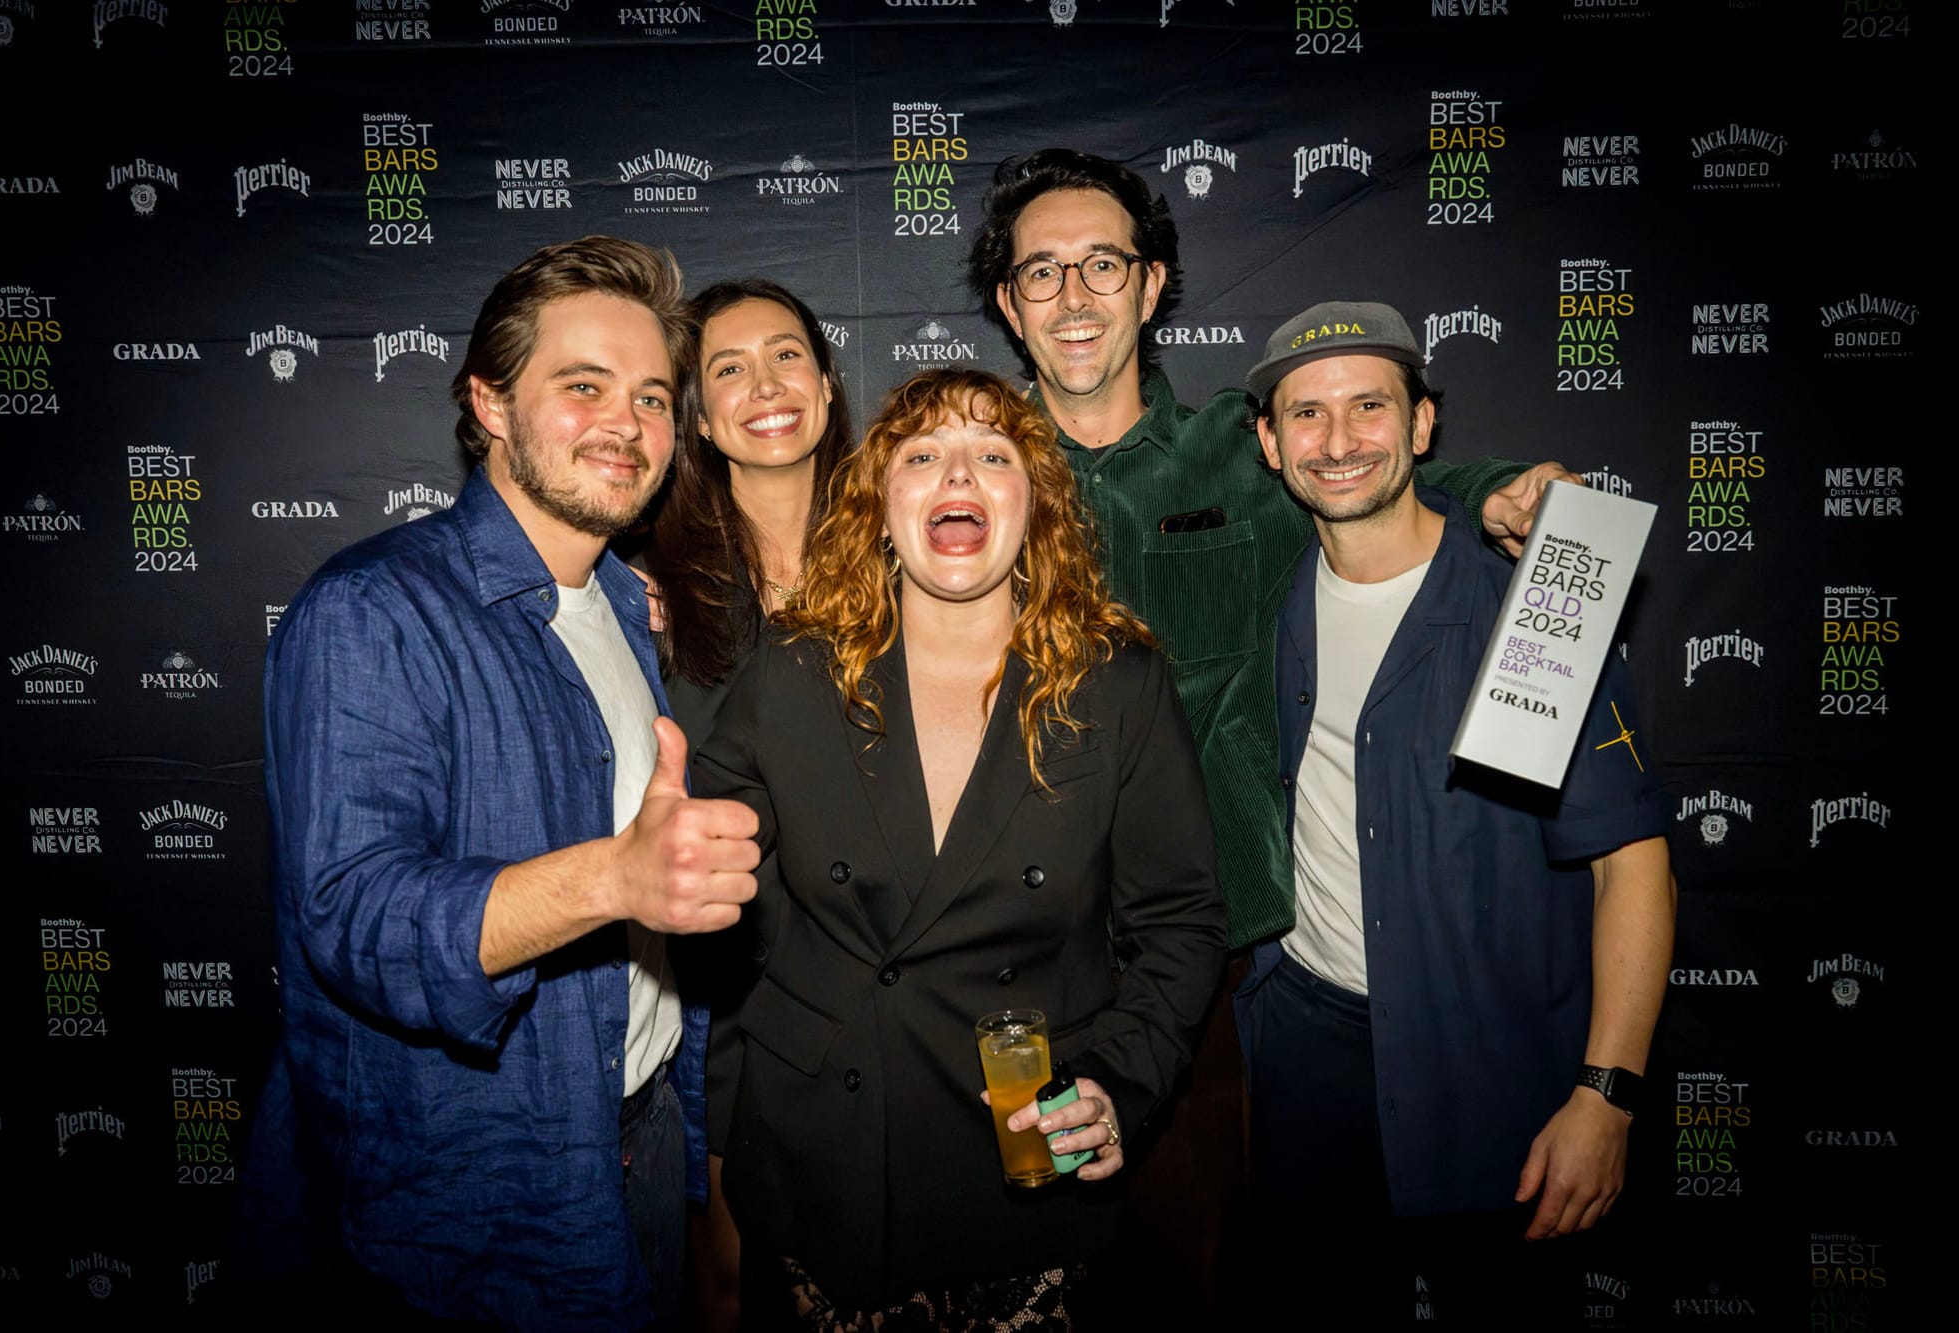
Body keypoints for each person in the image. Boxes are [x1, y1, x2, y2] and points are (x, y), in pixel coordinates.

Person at [964, 147, 1580, 1315]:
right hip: (1016, 950)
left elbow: (1382, 477)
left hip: (1220, 955)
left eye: (1103, 263)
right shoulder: (974, 478)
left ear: (1151, 287)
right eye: (1040, 273)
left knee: (1207, 1272)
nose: (1074, 295)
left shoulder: (1239, 459)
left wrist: (1504, 486)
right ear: (1007, 304)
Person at [255, 236, 761, 1329]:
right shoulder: (373, 610)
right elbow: (355, 918)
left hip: (639, 1131)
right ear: (488, 402)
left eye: (652, 397)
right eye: (581, 386)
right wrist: (611, 880)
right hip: (477, 1187)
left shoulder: (624, 606)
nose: (625, 424)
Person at [692, 367, 1227, 1328]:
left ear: (1037, 501)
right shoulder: (791, 671)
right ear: (878, 501)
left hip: (1024, 1156)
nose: (958, 476)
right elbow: (717, 895)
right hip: (826, 1155)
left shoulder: (1116, 683)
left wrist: (1119, 1082)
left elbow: (1181, 923)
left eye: (993, 455)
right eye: (923, 455)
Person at [1235, 301, 1675, 1326]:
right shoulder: (1260, 592)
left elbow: (1632, 863)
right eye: (1305, 414)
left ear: (1423, 424)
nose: (1337, 441)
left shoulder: (1538, 605)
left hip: (1496, 1069)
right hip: (1307, 1059)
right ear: (1266, 442)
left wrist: (1603, 1096)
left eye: (1368, 406)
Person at [641, 279, 855, 1331]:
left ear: (824, 381)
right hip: (719, 984)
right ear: (695, 411)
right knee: (724, 1280)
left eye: (785, 357)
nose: (762, 387)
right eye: (726, 369)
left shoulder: (912, 557)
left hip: (877, 966)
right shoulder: (647, 592)